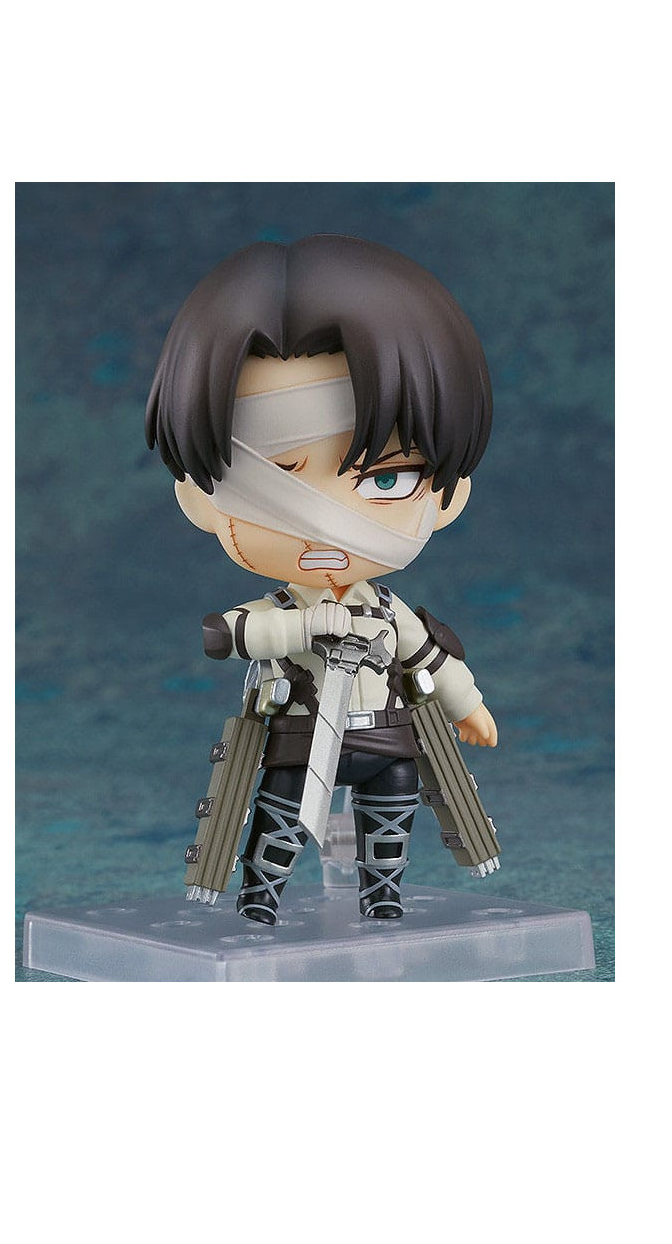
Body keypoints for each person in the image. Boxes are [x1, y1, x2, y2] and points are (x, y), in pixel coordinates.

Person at [146, 234, 498, 924]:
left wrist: (469, 706)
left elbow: (431, 659)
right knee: (277, 820)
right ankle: (261, 897)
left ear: (449, 494)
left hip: (385, 736)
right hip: (301, 736)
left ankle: (382, 893)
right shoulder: (282, 608)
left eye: (386, 480)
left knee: (391, 814)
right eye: (276, 484)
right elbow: (231, 634)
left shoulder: (388, 611)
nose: (328, 528)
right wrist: (305, 625)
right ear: (200, 498)